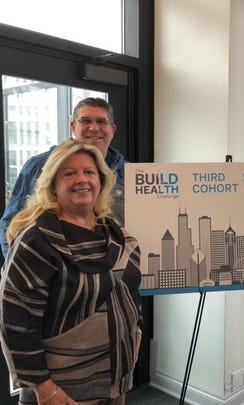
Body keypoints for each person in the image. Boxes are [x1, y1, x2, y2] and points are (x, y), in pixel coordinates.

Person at [0, 139, 141, 405]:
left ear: (101, 181)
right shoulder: (37, 241)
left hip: (115, 381)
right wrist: (43, 387)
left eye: (89, 172)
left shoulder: (118, 235)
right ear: (53, 184)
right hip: (60, 392)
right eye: (69, 173)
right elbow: (15, 323)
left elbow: (129, 290)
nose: (82, 179)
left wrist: (136, 332)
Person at [0, 97, 126, 257]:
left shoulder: (131, 174)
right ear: (73, 126)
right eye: (85, 121)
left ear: (112, 129)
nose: (94, 128)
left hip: (109, 268)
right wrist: (15, 260)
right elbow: (12, 221)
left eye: (101, 122)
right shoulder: (38, 166)